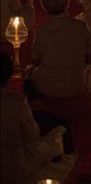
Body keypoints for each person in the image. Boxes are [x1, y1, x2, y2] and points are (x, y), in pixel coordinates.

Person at [1, 52, 66, 184]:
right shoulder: (16, 101)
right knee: (50, 141)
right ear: (8, 78)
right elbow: (32, 136)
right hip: (11, 169)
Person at [26, 0, 91, 98]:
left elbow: (34, 59)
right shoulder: (81, 27)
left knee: (30, 71)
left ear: (44, 7)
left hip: (46, 86)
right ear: (67, 2)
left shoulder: (42, 30)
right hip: (77, 85)